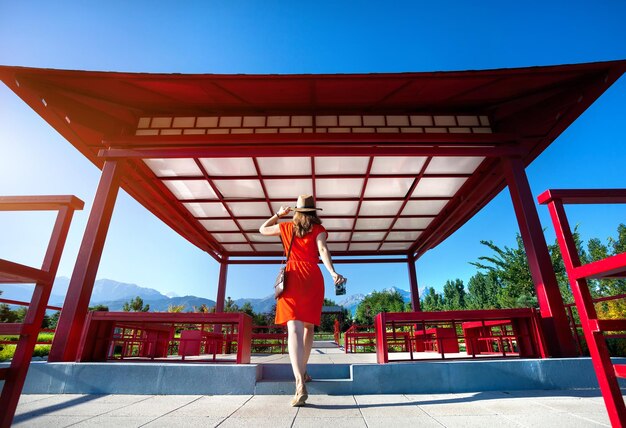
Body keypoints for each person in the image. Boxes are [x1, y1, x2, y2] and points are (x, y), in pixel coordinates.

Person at [259, 194, 345, 407]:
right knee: (308, 328)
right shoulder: (319, 230)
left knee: (294, 329)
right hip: (313, 277)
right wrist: (333, 272)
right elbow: (323, 250)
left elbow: (262, 229)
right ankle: (304, 372)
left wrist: (278, 214)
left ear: (297, 212)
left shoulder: (286, 227)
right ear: (314, 212)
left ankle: (299, 381)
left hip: (293, 276)